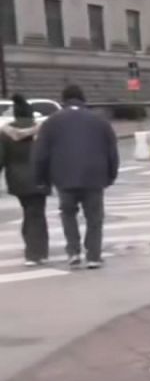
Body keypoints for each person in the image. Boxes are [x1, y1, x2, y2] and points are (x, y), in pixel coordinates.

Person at [33, 84, 118, 269]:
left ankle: (73, 252)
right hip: (94, 176)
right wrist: (111, 175)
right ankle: (93, 256)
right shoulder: (99, 121)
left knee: (68, 214)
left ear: (63, 100)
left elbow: (41, 154)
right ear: (83, 99)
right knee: (94, 217)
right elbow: (112, 150)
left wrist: (41, 179)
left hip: (63, 176)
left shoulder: (51, 122)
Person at [0, 95, 48, 266]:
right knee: (37, 214)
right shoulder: (42, 131)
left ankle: (34, 248)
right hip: (40, 177)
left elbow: (1, 159)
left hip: (16, 179)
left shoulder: (5, 133)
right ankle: (35, 253)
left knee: (29, 212)